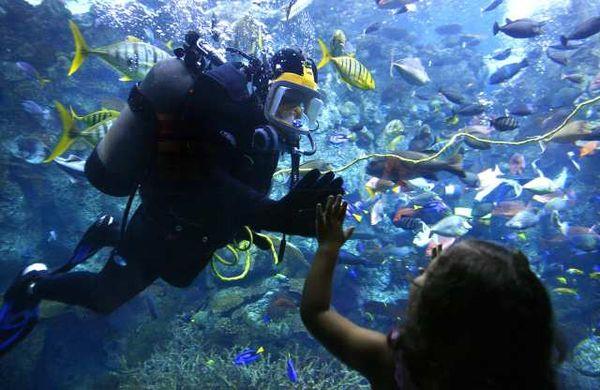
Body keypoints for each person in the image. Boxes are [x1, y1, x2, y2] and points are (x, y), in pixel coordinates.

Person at [0, 35, 344, 355]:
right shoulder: (222, 106)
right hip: (164, 221)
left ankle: (110, 231)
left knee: (177, 276)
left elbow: (239, 192)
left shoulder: (263, 129)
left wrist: (274, 215)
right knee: (103, 297)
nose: (296, 115)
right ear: (267, 88)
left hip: (191, 231)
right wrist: (274, 213)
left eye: (304, 107)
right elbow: (201, 183)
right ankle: (33, 286)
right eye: (289, 101)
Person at [301, 195, 563, 389]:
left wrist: (328, 247)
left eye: (426, 276)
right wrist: (440, 274)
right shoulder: (521, 375)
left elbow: (317, 312)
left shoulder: (394, 363)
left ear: (436, 307)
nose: (416, 279)